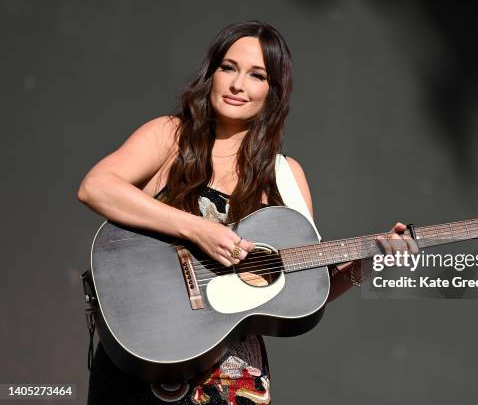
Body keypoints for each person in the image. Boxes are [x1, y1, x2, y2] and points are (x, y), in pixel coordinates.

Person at [78, 20, 417, 405]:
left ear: (273, 92)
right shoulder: (171, 136)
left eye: (257, 75)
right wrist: (197, 229)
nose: (238, 84)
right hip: (145, 355)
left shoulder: (286, 176)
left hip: (232, 377)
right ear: (212, 73)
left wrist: (367, 264)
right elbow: (96, 187)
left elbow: (309, 290)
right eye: (229, 68)